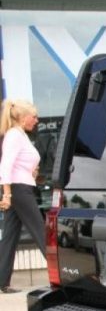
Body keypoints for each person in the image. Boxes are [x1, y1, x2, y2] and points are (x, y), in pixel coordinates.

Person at [0, 99, 45, 294]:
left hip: (20, 187)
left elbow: (19, 164)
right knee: (41, 231)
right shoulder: (14, 136)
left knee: (10, 236)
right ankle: (62, 277)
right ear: (22, 117)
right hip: (18, 191)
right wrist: (7, 195)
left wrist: (32, 172)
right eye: (33, 116)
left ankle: (2, 281)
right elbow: (5, 166)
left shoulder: (20, 135)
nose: (36, 120)